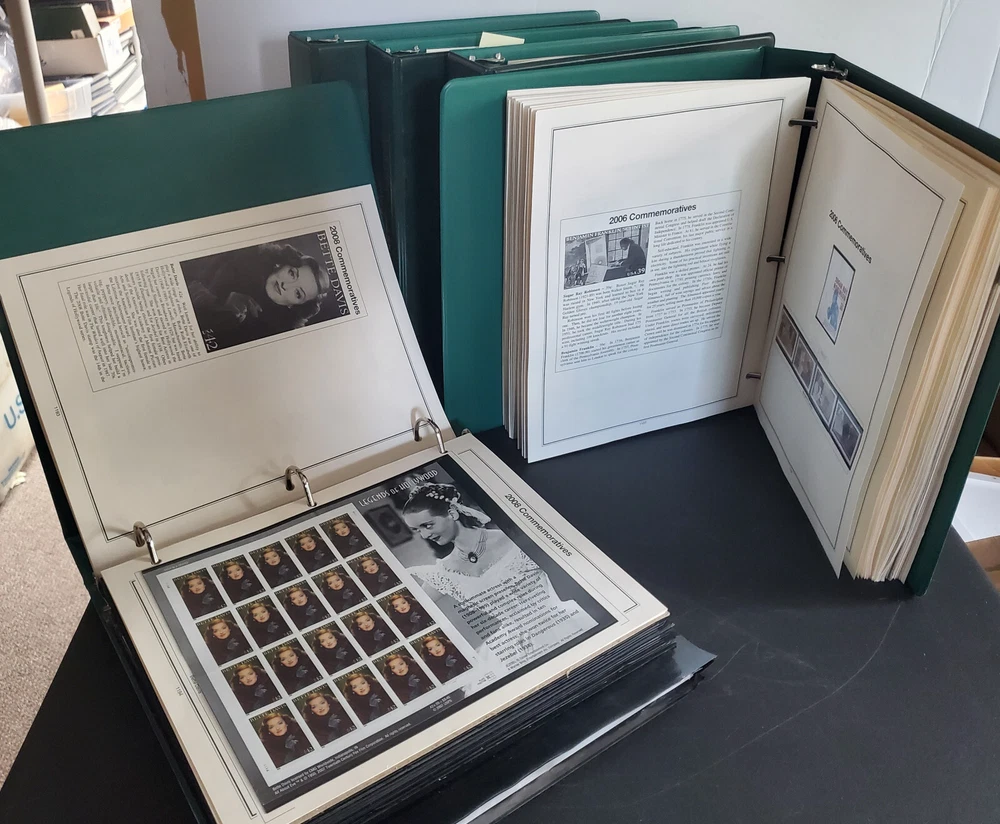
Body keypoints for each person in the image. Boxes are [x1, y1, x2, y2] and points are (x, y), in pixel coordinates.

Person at [401, 482, 597, 660]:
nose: (424, 535)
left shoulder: (513, 539)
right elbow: (411, 610)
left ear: (452, 514)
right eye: (417, 530)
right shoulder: (444, 571)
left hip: (561, 625)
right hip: (511, 648)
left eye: (428, 525)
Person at [184, 242, 336, 349]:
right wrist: (219, 300)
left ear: (294, 306)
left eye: (297, 293)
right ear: (282, 264)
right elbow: (183, 278)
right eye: (292, 274)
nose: (286, 285)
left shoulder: (275, 339)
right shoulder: (239, 256)